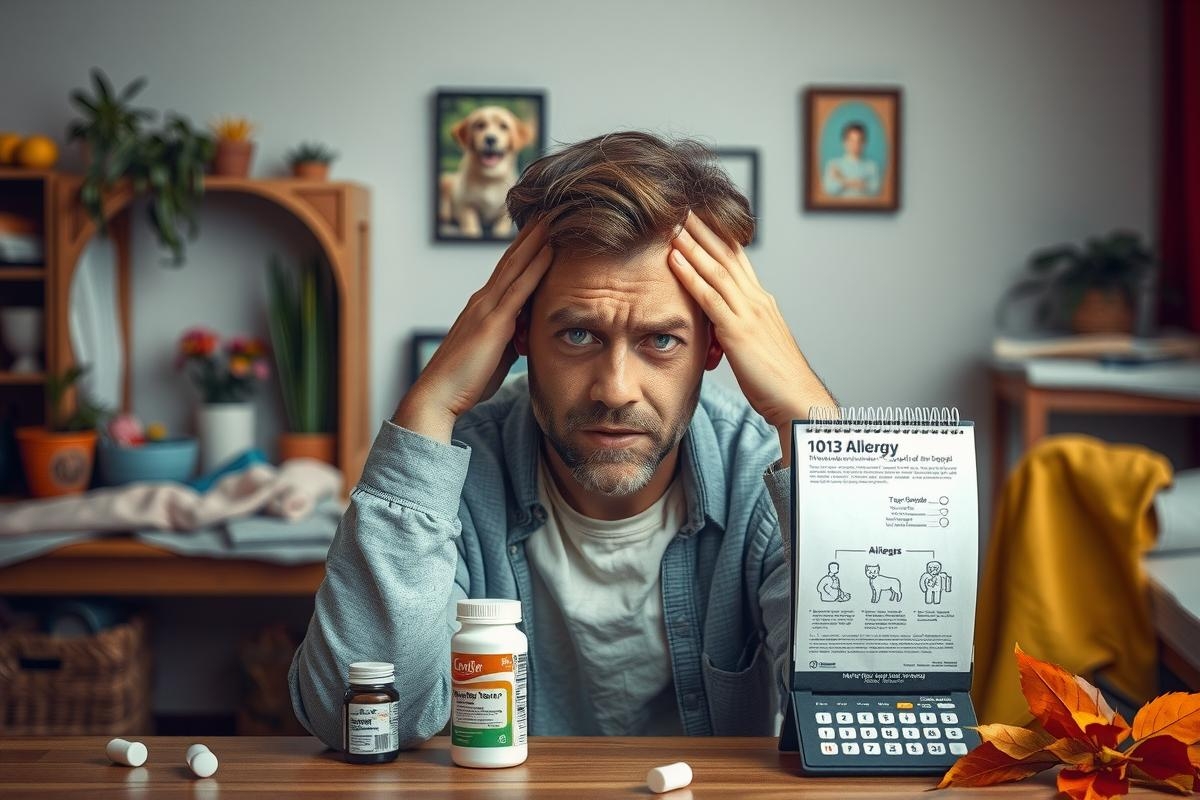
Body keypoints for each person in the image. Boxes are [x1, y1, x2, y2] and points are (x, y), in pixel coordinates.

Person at [289, 131, 836, 747]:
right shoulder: (453, 474)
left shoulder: (763, 477)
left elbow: (872, 697)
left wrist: (810, 423)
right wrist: (429, 404)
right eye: (579, 335)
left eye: (661, 340)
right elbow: (352, 719)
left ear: (717, 347)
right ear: (516, 335)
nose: (615, 390)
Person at [822, 122, 880, 197]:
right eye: (851, 140)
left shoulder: (872, 166)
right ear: (844, 142)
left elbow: (875, 189)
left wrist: (841, 179)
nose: (855, 145)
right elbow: (829, 189)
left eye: (859, 141)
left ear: (865, 143)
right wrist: (860, 183)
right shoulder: (833, 164)